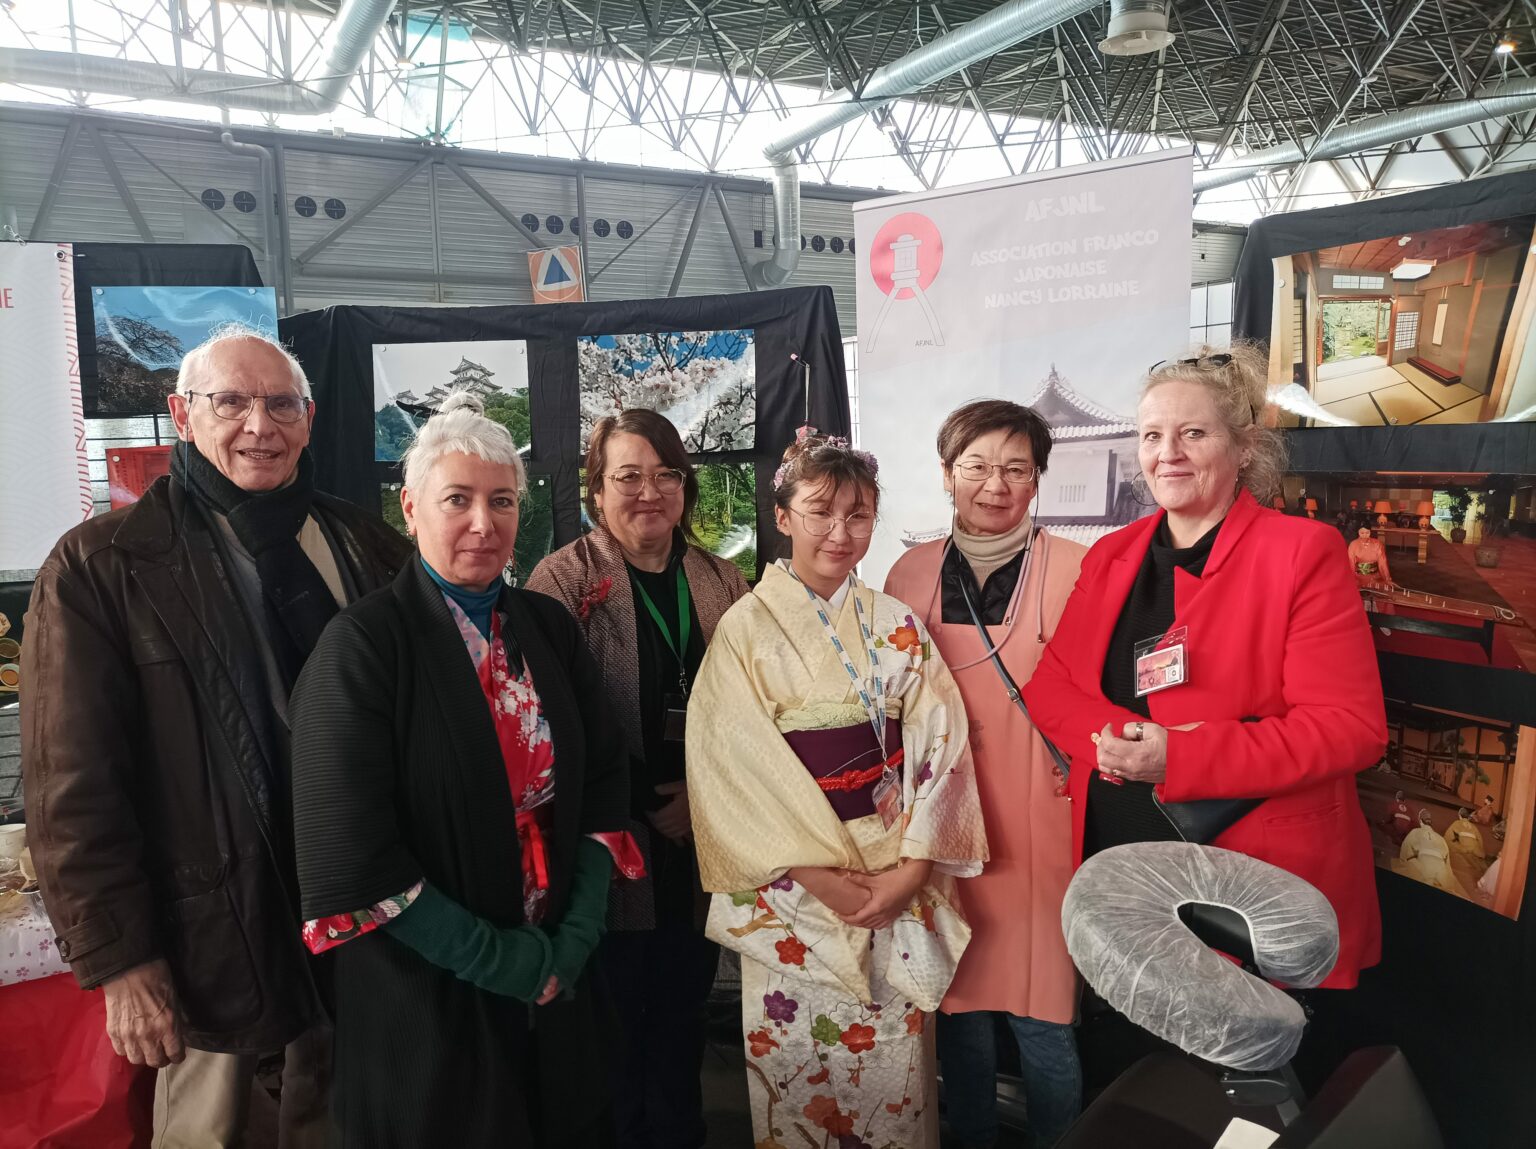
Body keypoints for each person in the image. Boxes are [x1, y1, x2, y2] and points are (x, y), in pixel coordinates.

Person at [20, 326, 410, 1147]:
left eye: (281, 404)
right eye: (230, 401)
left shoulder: (366, 545)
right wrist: (121, 962)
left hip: (368, 928)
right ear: (181, 413)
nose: (258, 425)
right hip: (215, 943)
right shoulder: (102, 567)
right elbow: (71, 789)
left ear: (309, 419)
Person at [288, 393, 641, 1148]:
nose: (484, 522)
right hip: (427, 984)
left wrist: (574, 933)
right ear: (410, 508)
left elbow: (603, 780)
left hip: (555, 960)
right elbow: (349, 848)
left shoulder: (547, 627)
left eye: (502, 500)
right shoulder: (363, 647)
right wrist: (500, 959)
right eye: (458, 499)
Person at [1023, 345, 1386, 991]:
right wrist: (1125, 742)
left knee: (1237, 1047)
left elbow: (1348, 728)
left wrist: (1180, 757)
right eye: (1152, 435)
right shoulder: (1112, 554)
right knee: (1131, 1042)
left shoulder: (1301, 552)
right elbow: (1048, 687)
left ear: (1244, 447)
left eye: (1193, 433)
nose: (1168, 453)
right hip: (1120, 866)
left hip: (1247, 877)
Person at [687, 430, 988, 1149]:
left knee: (893, 1070)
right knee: (798, 1069)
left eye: (858, 515)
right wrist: (818, 877)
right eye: (820, 511)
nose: (840, 532)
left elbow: (941, 744)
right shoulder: (744, 630)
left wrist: (913, 868)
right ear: (782, 515)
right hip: (795, 882)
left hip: (892, 866)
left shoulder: (894, 624)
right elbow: (731, 766)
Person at [525, 409, 749, 1149]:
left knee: (683, 1005)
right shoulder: (562, 580)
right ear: (596, 490)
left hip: (701, 832)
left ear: (685, 487)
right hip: (608, 834)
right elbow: (551, 722)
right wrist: (641, 802)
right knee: (615, 1012)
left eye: (665, 475)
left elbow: (752, 710)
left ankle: (681, 1133)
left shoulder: (720, 579)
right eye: (628, 476)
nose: (649, 492)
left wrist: (700, 799)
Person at [884, 400, 1083, 1149]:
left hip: (1042, 819)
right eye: (976, 466)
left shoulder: (1077, 569)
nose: (995, 484)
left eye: (1015, 468)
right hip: (943, 815)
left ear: (1037, 480)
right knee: (958, 1008)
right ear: (947, 474)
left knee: (1045, 1014)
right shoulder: (910, 572)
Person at [1392, 810, 1469, 899]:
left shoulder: (1414, 832)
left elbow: (1404, 852)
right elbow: (1447, 864)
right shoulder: (1441, 839)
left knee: (1404, 866)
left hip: (1422, 869)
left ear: (1420, 821)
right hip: (1440, 873)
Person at [1347, 525, 1394, 590]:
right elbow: (1351, 563)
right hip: (1358, 577)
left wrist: (1387, 578)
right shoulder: (1353, 544)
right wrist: (1350, 579)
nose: (1365, 535)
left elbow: (1382, 562)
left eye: (1367, 533)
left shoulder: (1377, 543)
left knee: (1384, 589)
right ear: (1358, 532)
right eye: (1362, 533)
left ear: (1370, 532)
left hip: (1375, 577)